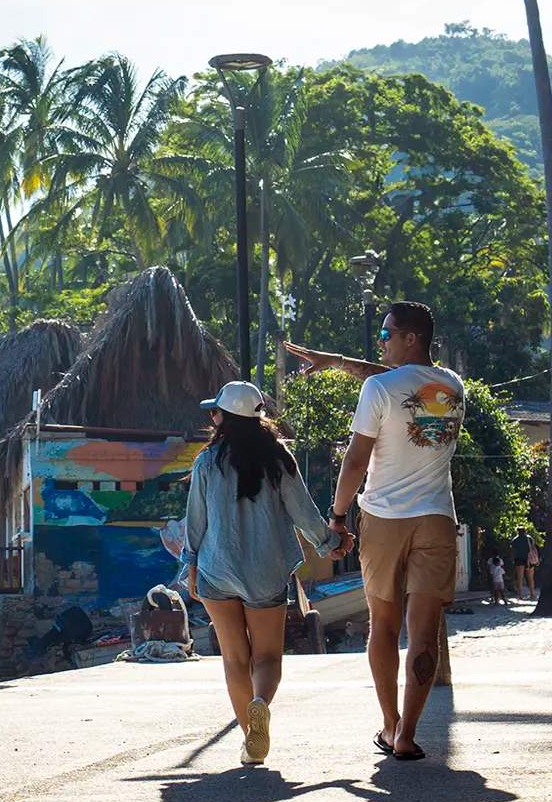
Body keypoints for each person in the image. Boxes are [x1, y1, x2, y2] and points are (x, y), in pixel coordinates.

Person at [287, 299, 465, 763]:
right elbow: (397, 381)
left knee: (383, 626)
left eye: (387, 335)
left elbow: (355, 459)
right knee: (423, 633)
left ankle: (388, 724)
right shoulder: (451, 387)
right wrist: (338, 363)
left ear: (410, 338)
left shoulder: (380, 391)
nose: (380, 341)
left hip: (385, 519)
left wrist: (338, 516)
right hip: (437, 520)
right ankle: (407, 735)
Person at [183, 379, 352, 765]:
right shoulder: (279, 459)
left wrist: (190, 566)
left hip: (216, 568)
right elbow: (303, 512)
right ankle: (260, 703)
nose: (212, 417)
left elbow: (196, 522)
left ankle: (250, 739)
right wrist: (332, 543)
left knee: (234, 659)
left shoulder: (207, 461)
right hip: (266, 571)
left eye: (215, 412)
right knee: (269, 658)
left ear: (223, 418)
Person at [511, 527, 533, 600]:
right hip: (529, 559)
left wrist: (513, 559)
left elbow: (513, 551)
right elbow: (533, 548)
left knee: (520, 578)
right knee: (530, 577)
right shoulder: (529, 538)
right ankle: (532, 593)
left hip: (519, 559)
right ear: (525, 531)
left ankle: (520, 595)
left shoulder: (515, 540)